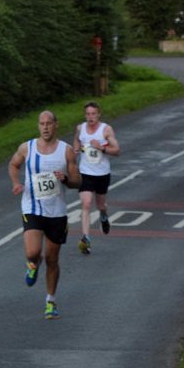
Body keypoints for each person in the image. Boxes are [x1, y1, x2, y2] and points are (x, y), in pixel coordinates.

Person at [9, 111, 81, 318]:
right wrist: (16, 183)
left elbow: (78, 181)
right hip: (32, 207)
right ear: (38, 126)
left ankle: (51, 301)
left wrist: (66, 179)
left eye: (49, 123)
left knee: (52, 258)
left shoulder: (66, 151)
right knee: (32, 252)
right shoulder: (27, 148)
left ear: (56, 125)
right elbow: (13, 165)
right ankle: (32, 264)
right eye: (42, 123)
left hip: (57, 212)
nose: (46, 127)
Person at [73, 101, 119, 254]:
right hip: (85, 173)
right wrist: (76, 149)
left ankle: (104, 216)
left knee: (100, 205)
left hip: (102, 174)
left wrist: (102, 147)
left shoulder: (106, 130)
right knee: (86, 203)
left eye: (93, 114)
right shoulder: (80, 128)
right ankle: (86, 238)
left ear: (99, 114)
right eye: (88, 114)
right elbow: (76, 140)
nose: (90, 117)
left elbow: (117, 150)